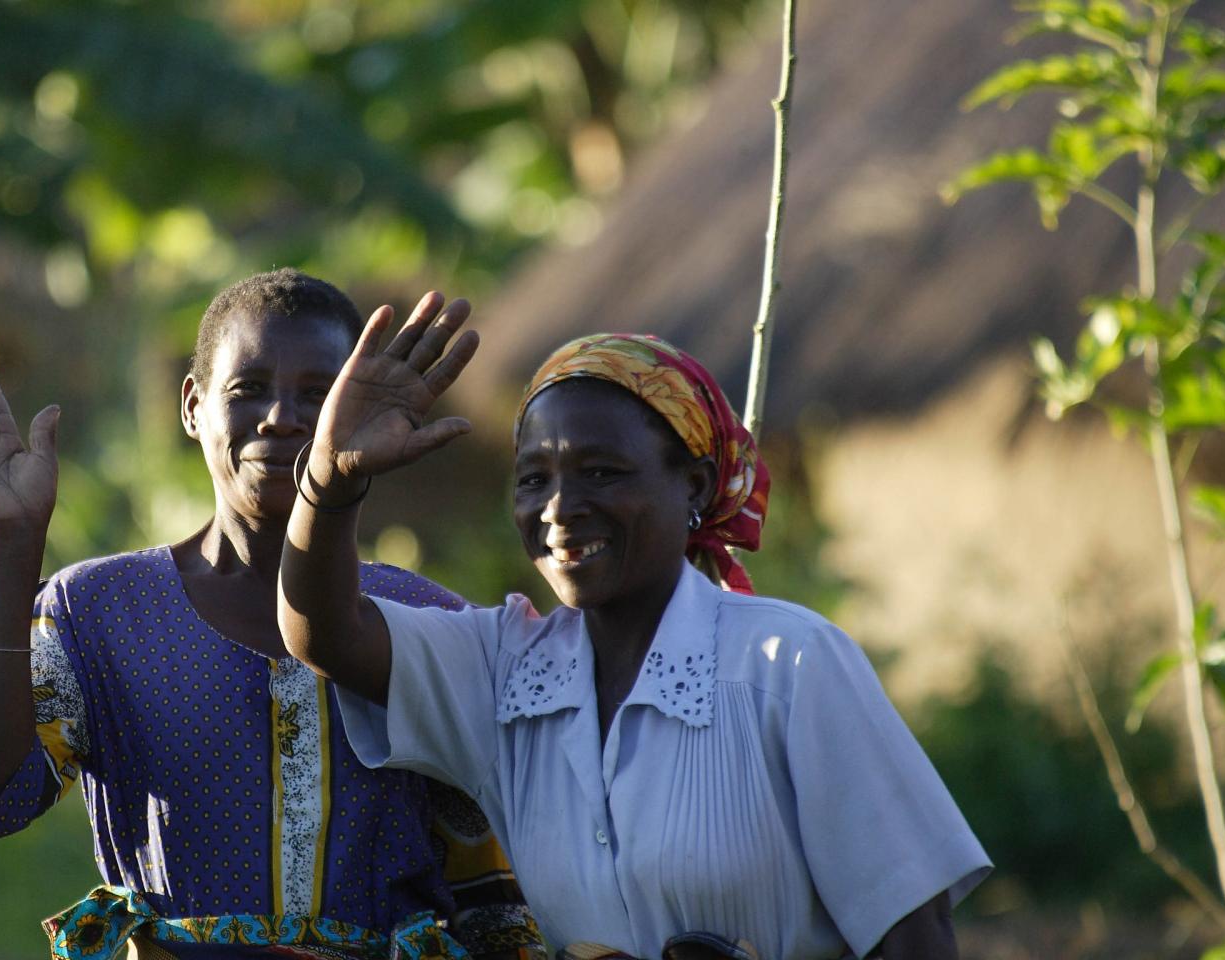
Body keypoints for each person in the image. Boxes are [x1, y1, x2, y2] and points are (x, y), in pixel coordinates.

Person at [276, 299, 992, 960]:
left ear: (697, 485)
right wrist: (330, 482)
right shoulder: (504, 673)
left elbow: (912, 931)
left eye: (601, 471)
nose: (559, 508)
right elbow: (324, 632)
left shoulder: (786, 666)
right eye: (533, 480)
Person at [0, 269, 545, 960]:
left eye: (320, 394)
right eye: (248, 390)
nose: (281, 416)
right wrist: (7, 544)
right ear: (193, 406)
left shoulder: (424, 620)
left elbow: (493, 904)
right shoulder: (97, 612)